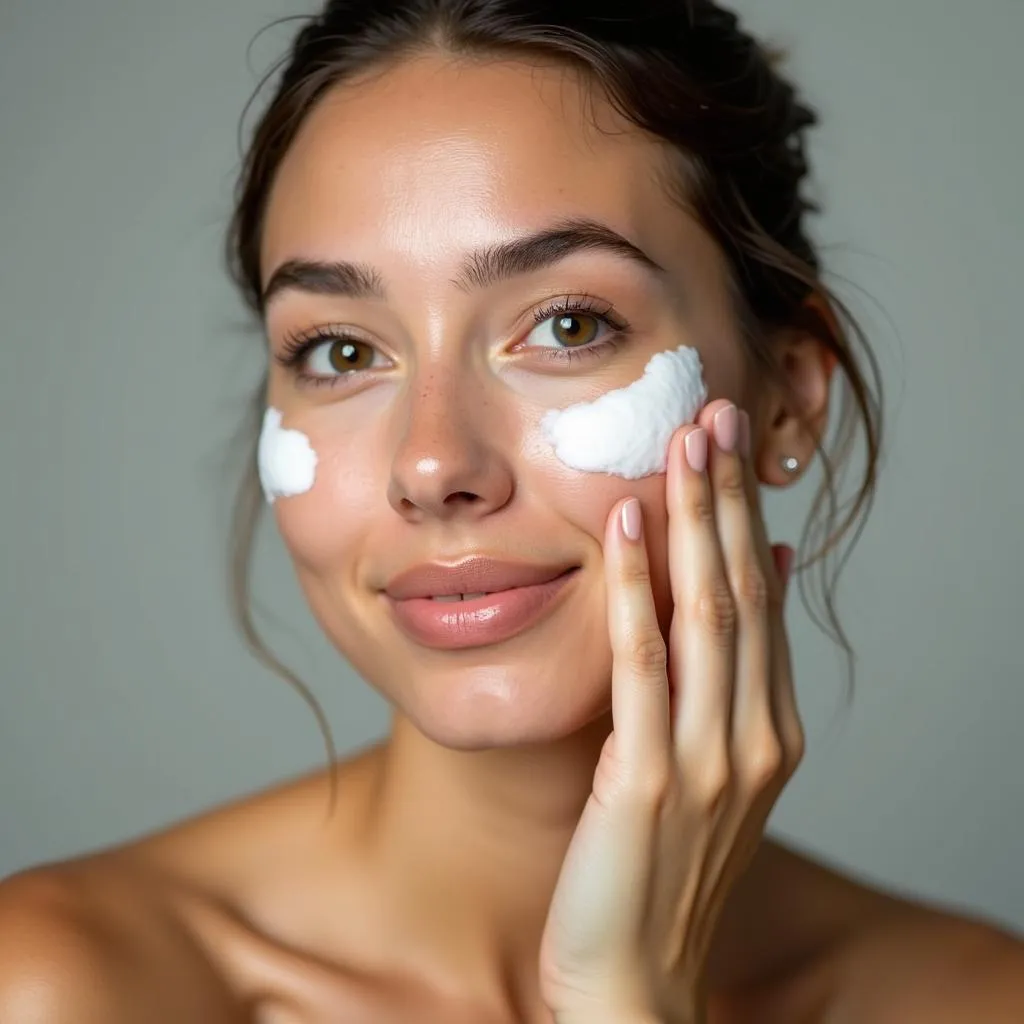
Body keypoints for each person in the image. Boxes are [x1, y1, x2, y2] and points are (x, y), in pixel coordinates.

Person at [1, 2, 1022, 1021]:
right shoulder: (69, 984)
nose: (434, 462)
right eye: (343, 352)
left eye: (568, 325)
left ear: (788, 393)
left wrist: (628, 1001)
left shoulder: (972, 999)